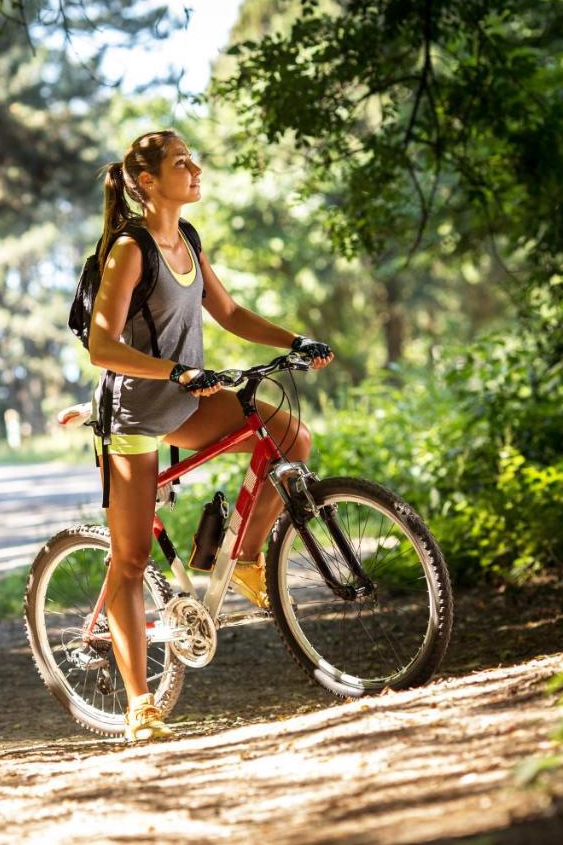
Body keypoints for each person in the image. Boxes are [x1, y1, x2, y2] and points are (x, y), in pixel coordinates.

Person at [87, 130, 334, 742]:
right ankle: (141, 705)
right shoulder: (130, 249)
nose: (195, 169)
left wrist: (293, 341)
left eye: (193, 159)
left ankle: (245, 556)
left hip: (187, 397)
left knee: (289, 438)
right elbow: (102, 346)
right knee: (130, 560)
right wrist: (173, 369)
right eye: (180, 163)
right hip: (138, 414)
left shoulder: (187, 240)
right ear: (147, 183)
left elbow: (228, 313)